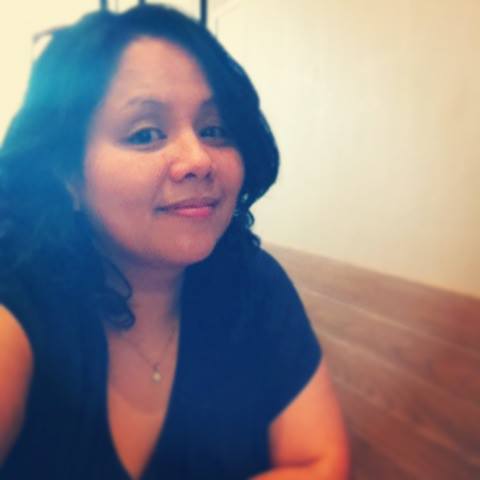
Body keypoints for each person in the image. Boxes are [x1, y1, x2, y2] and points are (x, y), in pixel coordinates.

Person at [0, 4, 349, 479]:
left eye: (214, 130)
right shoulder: (19, 296)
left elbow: (319, 461)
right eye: (145, 133)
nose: (198, 159)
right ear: (68, 177)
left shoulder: (251, 282)